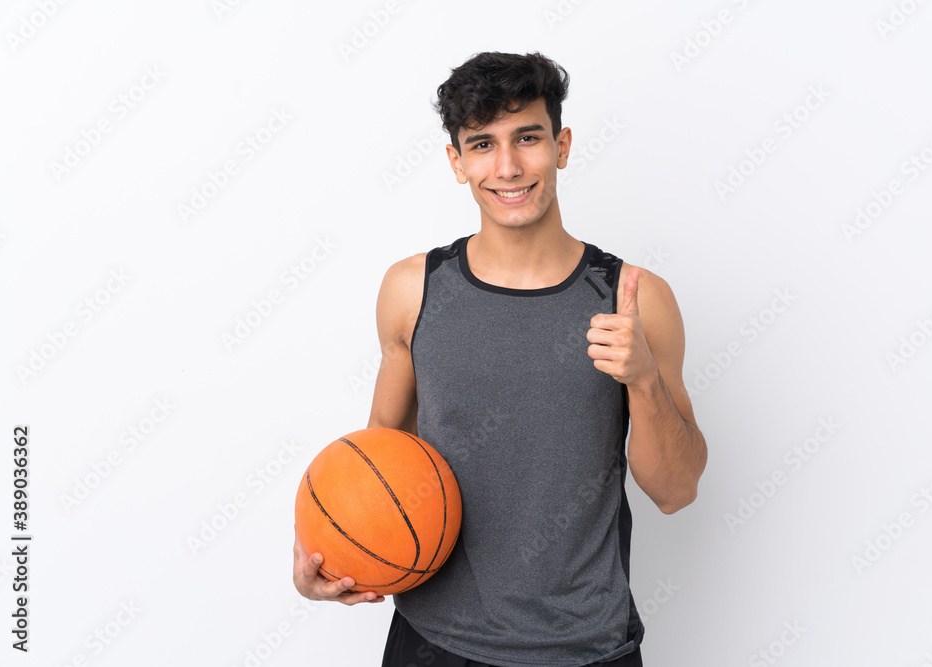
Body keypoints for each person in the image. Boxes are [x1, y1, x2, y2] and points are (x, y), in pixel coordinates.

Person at [293, 51, 708, 667]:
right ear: (456, 162)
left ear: (561, 146)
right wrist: (325, 555)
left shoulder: (636, 299)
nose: (508, 167)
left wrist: (643, 381)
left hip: (586, 647)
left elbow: (676, 491)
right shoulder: (413, 291)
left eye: (528, 138)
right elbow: (378, 459)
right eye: (482, 144)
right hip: (434, 646)